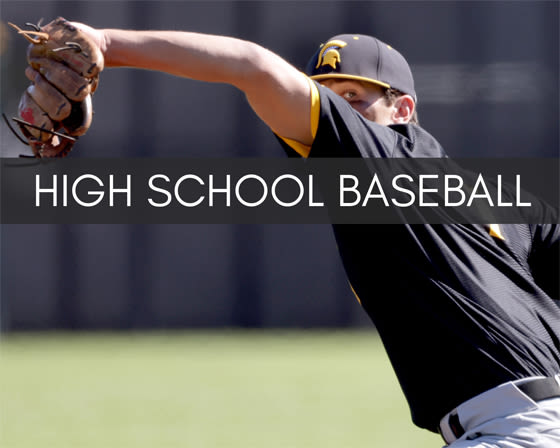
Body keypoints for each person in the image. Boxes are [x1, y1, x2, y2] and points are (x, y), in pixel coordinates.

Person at [23, 22, 560, 447]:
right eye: (326, 96)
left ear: (403, 109)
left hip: (515, 430)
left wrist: (107, 43)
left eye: (354, 97)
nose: (339, 112)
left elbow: (254, 67)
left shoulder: (379, 156)